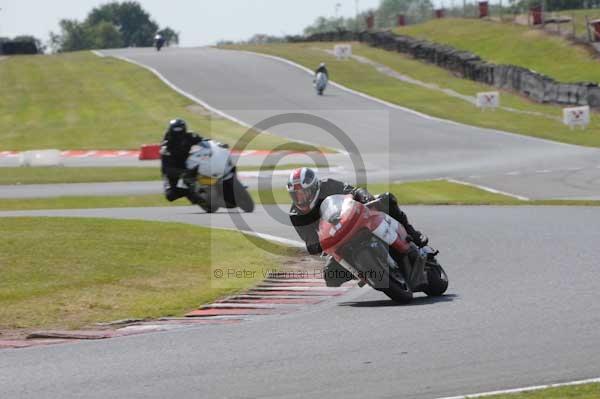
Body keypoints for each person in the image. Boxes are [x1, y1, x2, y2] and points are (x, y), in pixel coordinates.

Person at [287, 167, 428, 287]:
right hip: (335, 240)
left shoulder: (328, 184)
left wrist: (365, 196)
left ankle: (413, 234)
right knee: (330, 277)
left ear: (313, 188)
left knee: (387, 198)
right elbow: (311, 242)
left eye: (303, 193)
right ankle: (364, 271)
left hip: (351, 219)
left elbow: (353, 191)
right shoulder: (296, 214)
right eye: (296, 195)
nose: (300, 199)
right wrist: (318, 247)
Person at [160, 118, 204, 204]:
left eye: (180, 133)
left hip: (187, 162)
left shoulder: (190, 136)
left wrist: (215, 144)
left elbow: (204, 141)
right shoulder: (166, 146)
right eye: (176, 134)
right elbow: (167, 169)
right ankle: (189, 193)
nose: (178, 137)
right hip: (172, 168)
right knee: (170, 195)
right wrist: (184, 173)